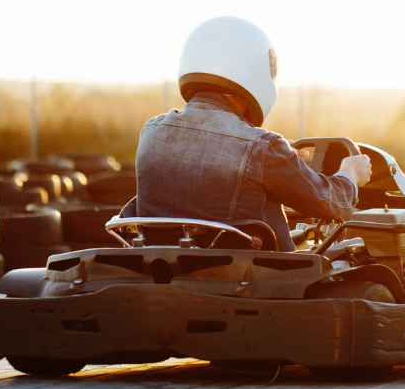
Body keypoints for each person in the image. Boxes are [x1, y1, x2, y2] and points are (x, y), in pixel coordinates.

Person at [125, 16, 371, 251]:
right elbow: (329, 203)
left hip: (164, 271)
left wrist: (272, 153)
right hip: (255, 279)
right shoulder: (262, 147)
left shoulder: (151, 132)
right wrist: (350, 173)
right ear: (253, 72)